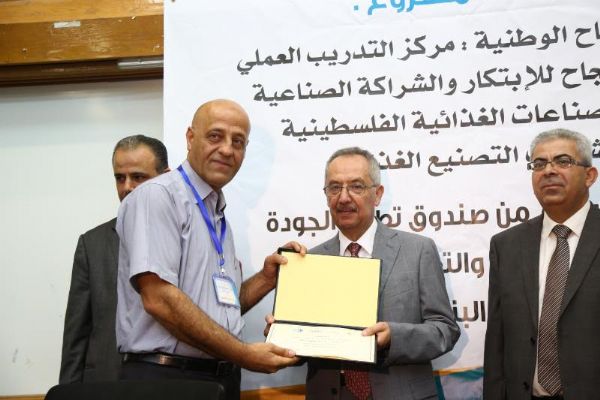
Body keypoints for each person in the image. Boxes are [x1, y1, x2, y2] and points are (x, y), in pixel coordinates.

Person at [115, 99, 303, 399]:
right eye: (215, 136)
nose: (227, 149)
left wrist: (266, 280)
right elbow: (159, 298)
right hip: (166, 380)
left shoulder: (217, 214)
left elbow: (218, 309)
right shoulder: (158, 196)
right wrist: (243, 354)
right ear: (190, 138)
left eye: (237, 142)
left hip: (218, 380)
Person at [301, 147, 459, 400]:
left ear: (377, 194)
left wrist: (394, 337)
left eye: (356, 186)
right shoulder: (310, 261)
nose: (343, 198)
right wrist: (283, 332)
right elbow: (303, 342)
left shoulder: (418, 250)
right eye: (334, 188)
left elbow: (445, 330)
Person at [483, 128, 599, 400]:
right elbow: (497, 341)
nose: (549, 171)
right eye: (539, 164)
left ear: (589, 176)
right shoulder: (506, 246)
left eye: (563, 161)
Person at [59, 135, 169, 383]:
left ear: (166, 178)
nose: (127, 187)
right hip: (106, 384)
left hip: (168, 385)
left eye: (138, 177)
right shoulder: (92, 244)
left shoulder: (185, 238)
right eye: (120, 178)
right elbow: (76, 336)